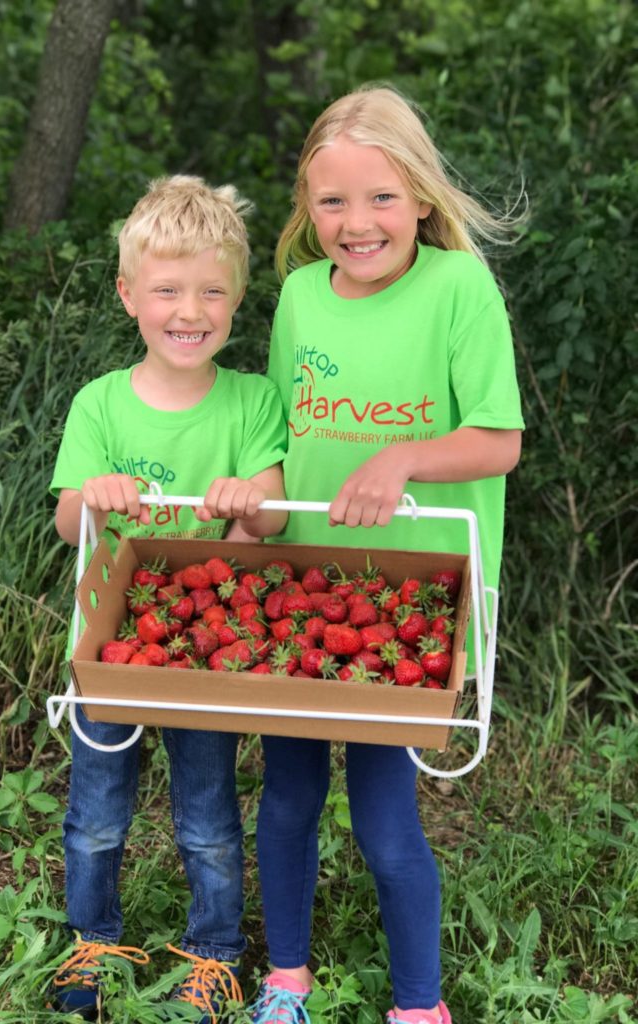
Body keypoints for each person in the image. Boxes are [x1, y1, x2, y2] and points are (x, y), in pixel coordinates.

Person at [249, 85, 524, 1024]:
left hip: (410, 601)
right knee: (285, 797)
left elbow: (498, 440)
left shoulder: (457, 288)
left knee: (383, 816)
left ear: (420, 198)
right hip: (305, 592)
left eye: (380, 199)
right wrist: (256, 508)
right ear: (306, 208)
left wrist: (402, 455)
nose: (357, 223)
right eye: (331, 202)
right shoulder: (296, 298)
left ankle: (419, 1005)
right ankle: (285, 979)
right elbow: (285, 441)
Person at [49, 174, 288, 1021]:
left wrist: (244, 507)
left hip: (205, 649)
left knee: (208, 815)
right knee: (97, 814)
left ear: (236, 298)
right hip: (109, 642)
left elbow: (267, 520)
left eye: (211, 291)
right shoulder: (100, 405)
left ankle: (214, 952)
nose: (190, 311)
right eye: (167, 291)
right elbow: (67, 522)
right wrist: (98, 494)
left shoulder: (253, 401)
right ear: (128, 295)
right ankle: (93, 939)